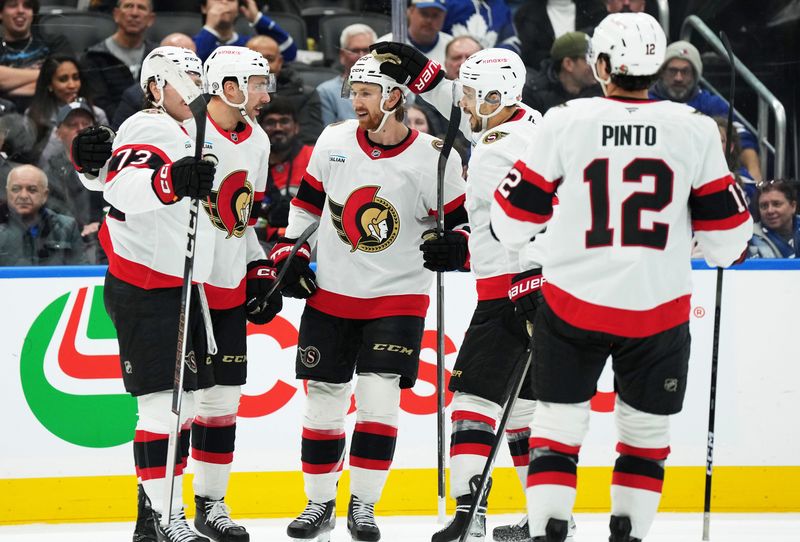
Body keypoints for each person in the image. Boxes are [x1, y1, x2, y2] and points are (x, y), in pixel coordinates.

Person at [489, 13, 752, 542]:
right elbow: (728, 241)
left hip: (571, 305)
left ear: (601, 65)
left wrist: (550, 235)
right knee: (645, 435)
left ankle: (547, 530)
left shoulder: (565, 120)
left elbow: (510, 223)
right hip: (659, 309)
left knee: (557, 429)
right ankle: (627, 534)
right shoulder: (697, 127)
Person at [70, 45, 282, 542]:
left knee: (196, 404)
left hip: (192, 286)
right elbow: (120, 188)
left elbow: (236, 215)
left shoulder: (202, 132)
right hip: (147, 283)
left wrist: (257, 266)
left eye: (195, 73)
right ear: (154, 87)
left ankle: (179, 512)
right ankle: (164, 516)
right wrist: (164, 181)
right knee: (165, 405)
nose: (191, 83)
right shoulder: (152, 126)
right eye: (179, 76)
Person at [370, 41, 562, 542]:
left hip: (511, 292)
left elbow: (536, 219)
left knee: (473, 403)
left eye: (475, 95)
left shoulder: (499, 150)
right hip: (540, 287)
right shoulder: (528, 123)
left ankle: (468, 513)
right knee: (523, 409)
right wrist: (430, 79)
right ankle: (544, 517)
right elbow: (466, 108)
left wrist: (527, 278)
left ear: (497, 96)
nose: (466, 104)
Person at [276, 53, 467, 542]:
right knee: (322, 404)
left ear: (394, 97)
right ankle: (319, 505)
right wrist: (291, 254)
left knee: (379, 403)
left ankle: (363, 505)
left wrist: (456, 243)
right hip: (333, 294)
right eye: (354, 92)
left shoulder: (434, 156)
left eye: (366, 93)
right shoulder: (333, 140)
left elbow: (461, 223)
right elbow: (308, 205)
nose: (355, 101)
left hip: (397, 298)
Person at [649, 40, 763, 181]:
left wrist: (754, 172)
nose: (678, 78)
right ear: (662, 73)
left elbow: (742, 138)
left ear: (695, 75)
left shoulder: (710, 104)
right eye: (673, 71)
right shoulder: (646, 101)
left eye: (685, 72)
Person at [40, 102, 105, 246]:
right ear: (58, 133)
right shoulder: (49, 170)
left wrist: (101, 224)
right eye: (72, 125)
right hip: (67, 240)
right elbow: (53, 208)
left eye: (86, 123)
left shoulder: (111, 163)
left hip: (108, 235)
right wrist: (81, 227)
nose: (81, 129)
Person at [82, 0, 158, 121]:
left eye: (141, 8)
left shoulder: (158, 55)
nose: (134, 13)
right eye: (128, 6)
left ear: (151, 19)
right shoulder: (95, 56)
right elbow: (101, 104)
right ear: (116, 14)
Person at [0, 164, 87, 266]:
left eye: (32, 190)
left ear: (45, 195)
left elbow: (81, 272)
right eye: (16, 189)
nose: (23, 196)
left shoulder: (66, 227)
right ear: (7, 193)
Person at [255, 95, 313, 247]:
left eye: (284, 121)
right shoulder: (251, 162)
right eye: (270, 122)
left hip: (309, 241)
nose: (278, 128)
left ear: (296, 127)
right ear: (260, 128)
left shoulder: (314, 158)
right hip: (263, 243)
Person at [25, 55, 108, 160]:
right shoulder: (35, 115)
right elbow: (37, 160)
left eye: (76, 78)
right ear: (49, 85)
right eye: (63, 79)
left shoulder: (98, 114)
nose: (72, 85)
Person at [246, 35, 323, 144]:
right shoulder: (232, 94)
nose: (264, 65)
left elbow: (309, 138)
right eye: (255, 60)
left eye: (270, 59)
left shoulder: (305, 94)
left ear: (280, 62)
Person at [110, 32, 196, 130]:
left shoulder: (205, 96)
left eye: (192, 55)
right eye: (178, 56)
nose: (188, 62)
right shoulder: (134, 97)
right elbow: (117, 133)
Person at [0, 0, 71, 110]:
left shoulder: (55, 42)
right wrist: (48, 77)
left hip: (49, 115)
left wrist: (5, 90)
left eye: (27, 6)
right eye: (13, 5)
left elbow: (65, 80)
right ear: (1, 13)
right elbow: (56, 79)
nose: (20, 10)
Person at [521, 31, 601, 114]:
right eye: (589, 59)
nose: (595, 65)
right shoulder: (534, 98)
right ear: (568, 64)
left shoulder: (603, 90)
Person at [194, 0, 297, 63]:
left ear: (239, 10)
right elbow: (193, 66)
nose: (224, 2)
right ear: (204, 8)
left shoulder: (249, 45)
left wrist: (257, 19)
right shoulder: (189, 43)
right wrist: (210, 28)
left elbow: (289, 54)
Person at [514, 0, 605, 69]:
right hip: (546, 80)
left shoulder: (596, 8)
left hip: (592, 76)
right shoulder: (526, 15)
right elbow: (530, 56)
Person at [317, 23, 376, 126]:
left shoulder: (389, 88)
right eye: (355, 51)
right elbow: (328, 136)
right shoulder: (326, 92)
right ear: (342, 55)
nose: (362, 56)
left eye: (367, 50)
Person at [377, 0, 453, 66]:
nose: (429, 20)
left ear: (444, 16)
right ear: (410, 12)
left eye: (435, 15)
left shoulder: (454, 47)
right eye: (424, 13)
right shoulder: (385, 45)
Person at [748, 179, 800, 258]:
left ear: (793, 206)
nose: (770, 211)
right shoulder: (748, 238)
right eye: (764, 206)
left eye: (776, 204)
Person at [441, 0, 519, 51]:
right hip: (453, 66)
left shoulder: (501, 7)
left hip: (491, 68)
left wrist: (493, 56)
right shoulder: (450, 4)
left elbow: (512, 41)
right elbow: (435, 37)